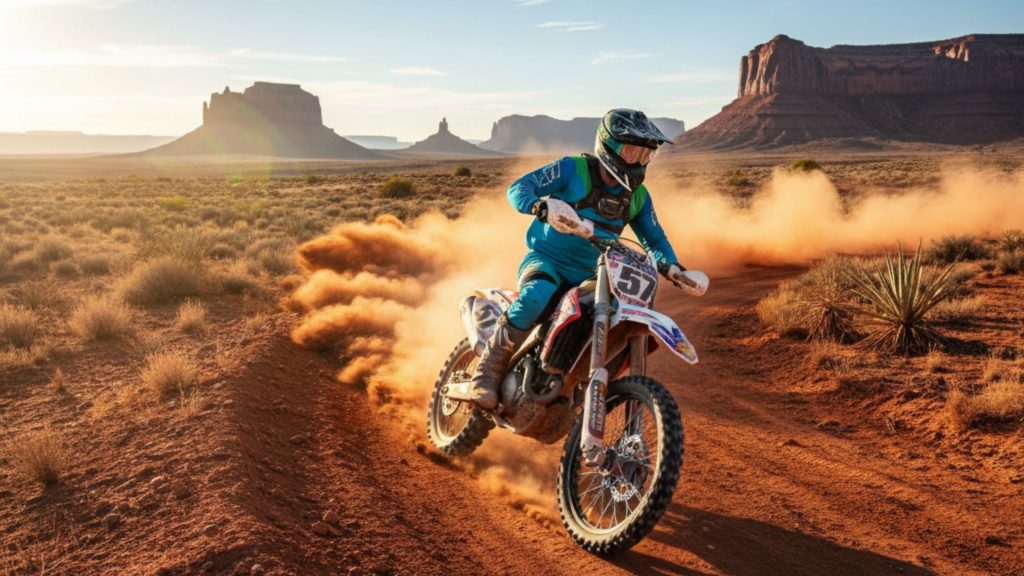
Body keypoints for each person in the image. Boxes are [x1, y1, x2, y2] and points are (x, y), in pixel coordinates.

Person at [470, 108, 689, 409]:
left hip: (594, 274)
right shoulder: (572, 170)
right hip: (547, 261)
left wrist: (673, 266)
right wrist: (539, 205)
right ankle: (486, 373)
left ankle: (575, 386)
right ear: (609, 146)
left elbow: (655, 239)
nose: (638, 161)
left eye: (645, 155)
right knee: (537, 296)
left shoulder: (638, 197)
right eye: (631, 151)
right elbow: (519, 188)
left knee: (614, 313)